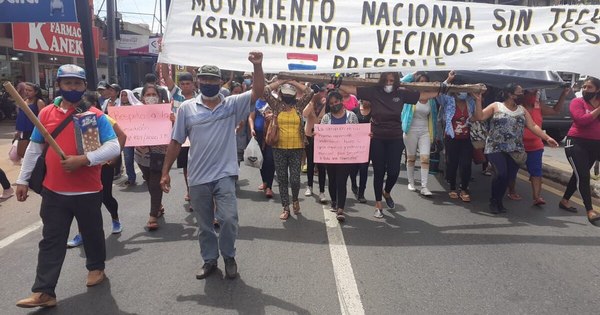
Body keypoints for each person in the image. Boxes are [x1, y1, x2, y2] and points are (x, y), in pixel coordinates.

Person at [14, 64, 120, 308]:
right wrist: (22, 179)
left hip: (88, 190)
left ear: (84, 87)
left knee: (92, 233)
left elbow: (113, 146)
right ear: (59, 85)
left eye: (77, 83)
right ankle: (44, 291)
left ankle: (96, 268)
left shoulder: (94, 114)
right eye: (68, 83)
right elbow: (34, 149)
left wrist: (84, 160)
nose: (73, 87)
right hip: (54, 191)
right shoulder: (46, 114)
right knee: (51, 240)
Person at [160, 52, 265, 280]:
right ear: (199, 82)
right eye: (204, 79)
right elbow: (176, 141)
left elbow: (258, 91)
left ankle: (228, 256)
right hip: (198, 177)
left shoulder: (232, 105)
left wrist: (257, 65)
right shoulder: (186, 108)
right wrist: (165, 172)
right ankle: (209, 260)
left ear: (220, 82)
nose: (208, 83)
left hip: (225, 174)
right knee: (205, 224)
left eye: (212, 79)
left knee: (228, 219)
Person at [338, 73, 440, 218]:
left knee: (393, 171)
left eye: (392, 80)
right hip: (377, 138)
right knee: (379, 171)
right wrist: (335, 81)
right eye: (386, 80)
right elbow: (351, 89)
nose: (388, 83)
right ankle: (378, 203)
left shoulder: (401, 93)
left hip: (395, 138)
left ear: (396, 81)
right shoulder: (373, 91)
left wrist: (444, 88)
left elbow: (423, 96)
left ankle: (387, 192)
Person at [473, 83, 559, 214]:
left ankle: (499, 202)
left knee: (507, 177)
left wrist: (547, 138)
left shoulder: (522, 110)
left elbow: (533, 126)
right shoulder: (496, 106)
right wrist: (478, 101)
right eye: (519, 93)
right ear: (510, 94)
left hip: (515, 149)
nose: (522, 95)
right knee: (500, 174)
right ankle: (494, 201)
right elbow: (480, 117)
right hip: (495, 147)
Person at [66, 92, 127, 247]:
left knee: (105, 196)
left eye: (85, 105)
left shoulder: (103, 118)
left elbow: (122, 136)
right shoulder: (72, 119)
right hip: (82, 166)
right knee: (82, 202)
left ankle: (115, 219)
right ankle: (82, 233)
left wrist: (113, 157)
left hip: (102, 166)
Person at [506, 87, 570, 205]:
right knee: (512, 171)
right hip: (516, 146)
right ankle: (512, 191)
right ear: (523, 95)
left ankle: (537, 197)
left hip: (535, 146)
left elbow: (556, 111)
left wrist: (563, 95)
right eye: (532, 93)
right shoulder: (514, 107)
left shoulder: (538, 106)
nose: (535, 95)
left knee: (536, 172)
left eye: (536, 93)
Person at [264, 79, 316, 220]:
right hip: (278, 147)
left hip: (297, 148)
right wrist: (281, 81)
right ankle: (285, 207)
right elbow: (265, 91)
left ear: (294, 95)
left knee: (294, 179)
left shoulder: (299, 106)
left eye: (290, 94)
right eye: (285, 93)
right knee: (282, 179)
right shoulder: (276, 105)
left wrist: (293, 82)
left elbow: (310, 92)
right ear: (281, 94)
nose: (288, 97)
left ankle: (295, 200)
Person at [559, 77, 600, 227]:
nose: (585, 89)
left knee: (578, 174)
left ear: (598, 89)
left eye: (589, 87)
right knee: (583, 175)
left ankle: (564, 200)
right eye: (584, 86)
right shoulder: (578, 102)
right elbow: (581, 120)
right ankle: (590, 210)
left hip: (595, 145)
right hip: (576, 143)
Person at [319, 90, 359, 222]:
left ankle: (341, 208)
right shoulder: (326, 118)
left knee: (341, 181)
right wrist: (318, 135)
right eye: (331, 103)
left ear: (341, 101)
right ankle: (334, 201)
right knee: (332, 180)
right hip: (330, 156)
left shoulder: (351, 116)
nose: (334, 104)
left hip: (345, 156)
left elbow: (357, 134)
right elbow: (322, 135)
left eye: (336, 101)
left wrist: (366, 136)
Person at [134, 84, 170, 231]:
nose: (150, 97)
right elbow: (129, 130)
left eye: (153, 94)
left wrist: (172, 120)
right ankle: (158, 206)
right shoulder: (135, 112)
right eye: (147, 95)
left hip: (159, 154)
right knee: (149, 182)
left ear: (159, 96)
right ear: (142, 97)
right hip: (141, 156)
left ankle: (152, 215)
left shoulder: (166, 112)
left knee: (155, 184)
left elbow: (175, 131)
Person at [160, 63, 197, 200]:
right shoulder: (176, 93)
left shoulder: (198, 98)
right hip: (180, 140)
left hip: (194, 138)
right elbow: (165, 75)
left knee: (195, 167)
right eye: (183, 84)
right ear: (179, 85)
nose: (185, 86)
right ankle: (190, 191)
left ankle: (196, 192)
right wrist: (163, 55)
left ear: (193, 84)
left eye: (188, 83)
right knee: (186, 168)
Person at [401, 72, 439, 196]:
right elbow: (401, 81)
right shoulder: (409, 95)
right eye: (420, 81)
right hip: (410, 129)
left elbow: (442, 88)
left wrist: (449, 78)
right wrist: (414, 73)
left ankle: (424, 186)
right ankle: (411, 182)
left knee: (425, 157)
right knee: (411, 157)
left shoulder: (431, 99)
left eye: (425, 81)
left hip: (425, 131)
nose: (423, 83)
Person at [302, 83, 328, 203]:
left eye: (323, 91)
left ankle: (322, 191)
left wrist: (324, 102)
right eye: (319, 91)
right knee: (311, 162)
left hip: (322, 137)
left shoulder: (327, 104)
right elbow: (304, 114)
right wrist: (312, 101)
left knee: (321, 165)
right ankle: (309, 186)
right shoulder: (310, 102)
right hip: (309, 135)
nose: (320, 94)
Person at [248, 98, 275, 198]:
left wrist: (272, 116)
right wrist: (252, 129)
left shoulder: (273, 100)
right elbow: (251, 117)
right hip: (258, 134)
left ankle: (269, 187)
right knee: (261, 159)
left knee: (270, 160)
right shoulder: (255, 102)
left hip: (270, 134)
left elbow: (279, 114)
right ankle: (264, 182)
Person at [115, 89, 142, 186]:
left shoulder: (138, 107)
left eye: (125, 95)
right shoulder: (117, 109)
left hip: (138, 137)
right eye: (122, 96)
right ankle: (131, 178)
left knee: (142, 157)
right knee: (128, 158)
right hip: (126, 139)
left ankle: (146, 174)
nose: (123, 97)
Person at [15, 82, 46, 159]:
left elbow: (43, 118)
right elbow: (20, 117)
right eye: (26, 90)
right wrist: (18, 131)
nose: (27, 92)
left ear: (36, 92)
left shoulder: (39, 102)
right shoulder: (23, 101)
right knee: (21, 152)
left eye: (30, 90)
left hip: (33, 131)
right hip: (23, 130)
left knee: (33, 154)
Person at [350, 100, 371, 203]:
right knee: (353, 169)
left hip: (367, 146)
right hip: (354, 145)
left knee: (364, 169)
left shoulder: (374, 112)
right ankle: (354, 183)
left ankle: (361, 193)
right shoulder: (354, 111)